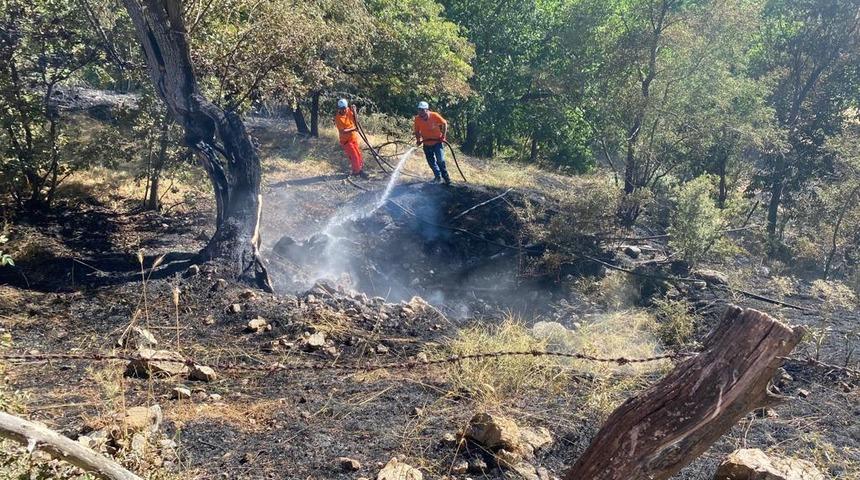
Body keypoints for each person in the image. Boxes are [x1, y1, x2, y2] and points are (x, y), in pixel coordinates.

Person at [413, 101, 450, 184]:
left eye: (422, 110)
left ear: (426, 110)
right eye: (419, 110)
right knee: (431, 162)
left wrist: (443, 136)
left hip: (437, 142)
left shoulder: (434, 115)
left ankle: (446, 178)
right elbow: (417, 131)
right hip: (426, 143)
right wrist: (418, 140)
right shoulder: (417, 119)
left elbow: (444, 123)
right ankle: (438, 177)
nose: (420, 112)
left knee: (440, 160)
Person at [334, 98, 367, 178]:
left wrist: (354, 111)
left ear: (346, 107)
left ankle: (359, 169)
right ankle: (357, 172)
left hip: (353, 138)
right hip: (346, 141)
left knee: (358, 154)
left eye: (344, 108)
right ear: (339, 108)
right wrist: (354, 129)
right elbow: (343, 131)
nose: (343, 110)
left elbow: (355, 120)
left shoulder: (349, 110)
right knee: (354, 156)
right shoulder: (338, 118)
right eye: (341, 109)